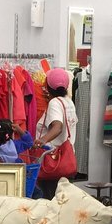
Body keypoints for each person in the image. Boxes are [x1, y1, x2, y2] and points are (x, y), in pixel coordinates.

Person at [33, 68, 79, 199]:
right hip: (66, 158)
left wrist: (43, 139)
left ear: (47, 86)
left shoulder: (54, 103)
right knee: (61, 199)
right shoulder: (68, 102)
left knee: (49, 199)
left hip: (53, 161)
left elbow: (58, 127)